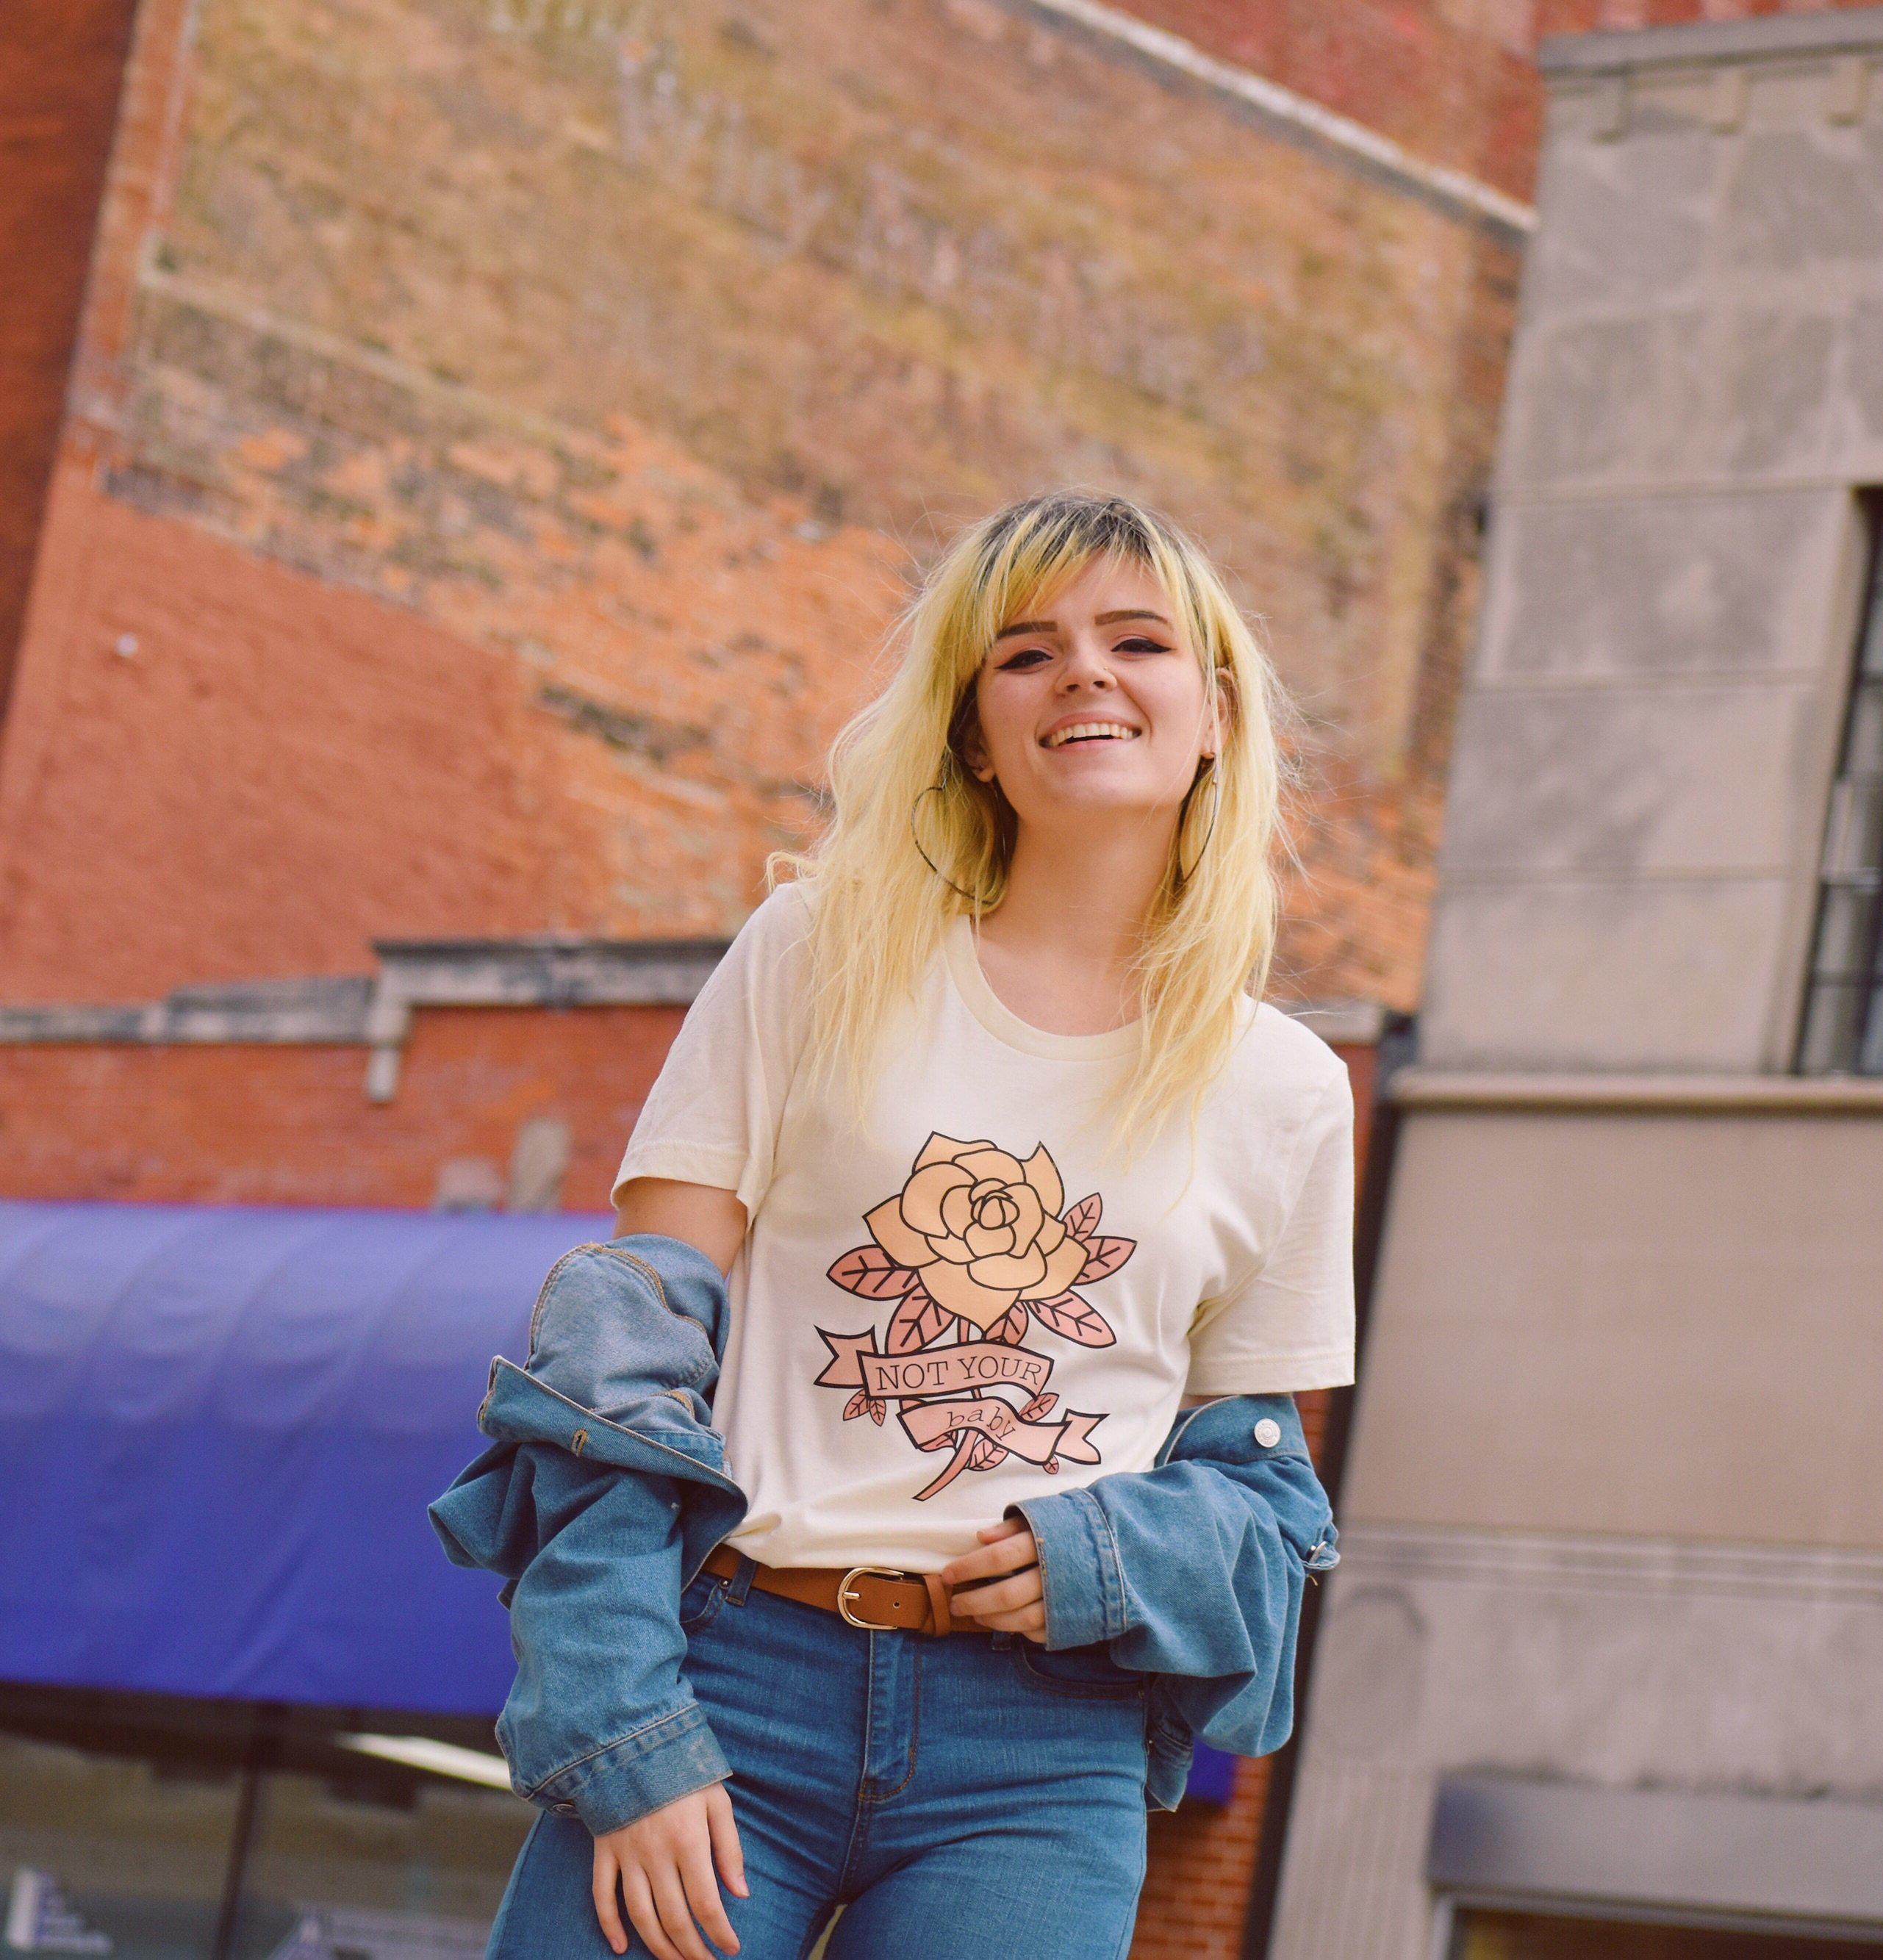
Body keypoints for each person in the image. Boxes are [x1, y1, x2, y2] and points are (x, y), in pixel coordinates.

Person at [489, 488, 1356, 1959]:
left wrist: (1107, 1557)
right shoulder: (812, 952)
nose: (1083, 673)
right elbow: (614, 1367)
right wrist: (624, 1725)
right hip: (730, 1672)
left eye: (1136, 641)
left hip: (1038, 1756)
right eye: (1025, 652)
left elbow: (1263, 1504)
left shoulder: (1285, 1087)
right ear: (971, 733)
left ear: (1212, 714)